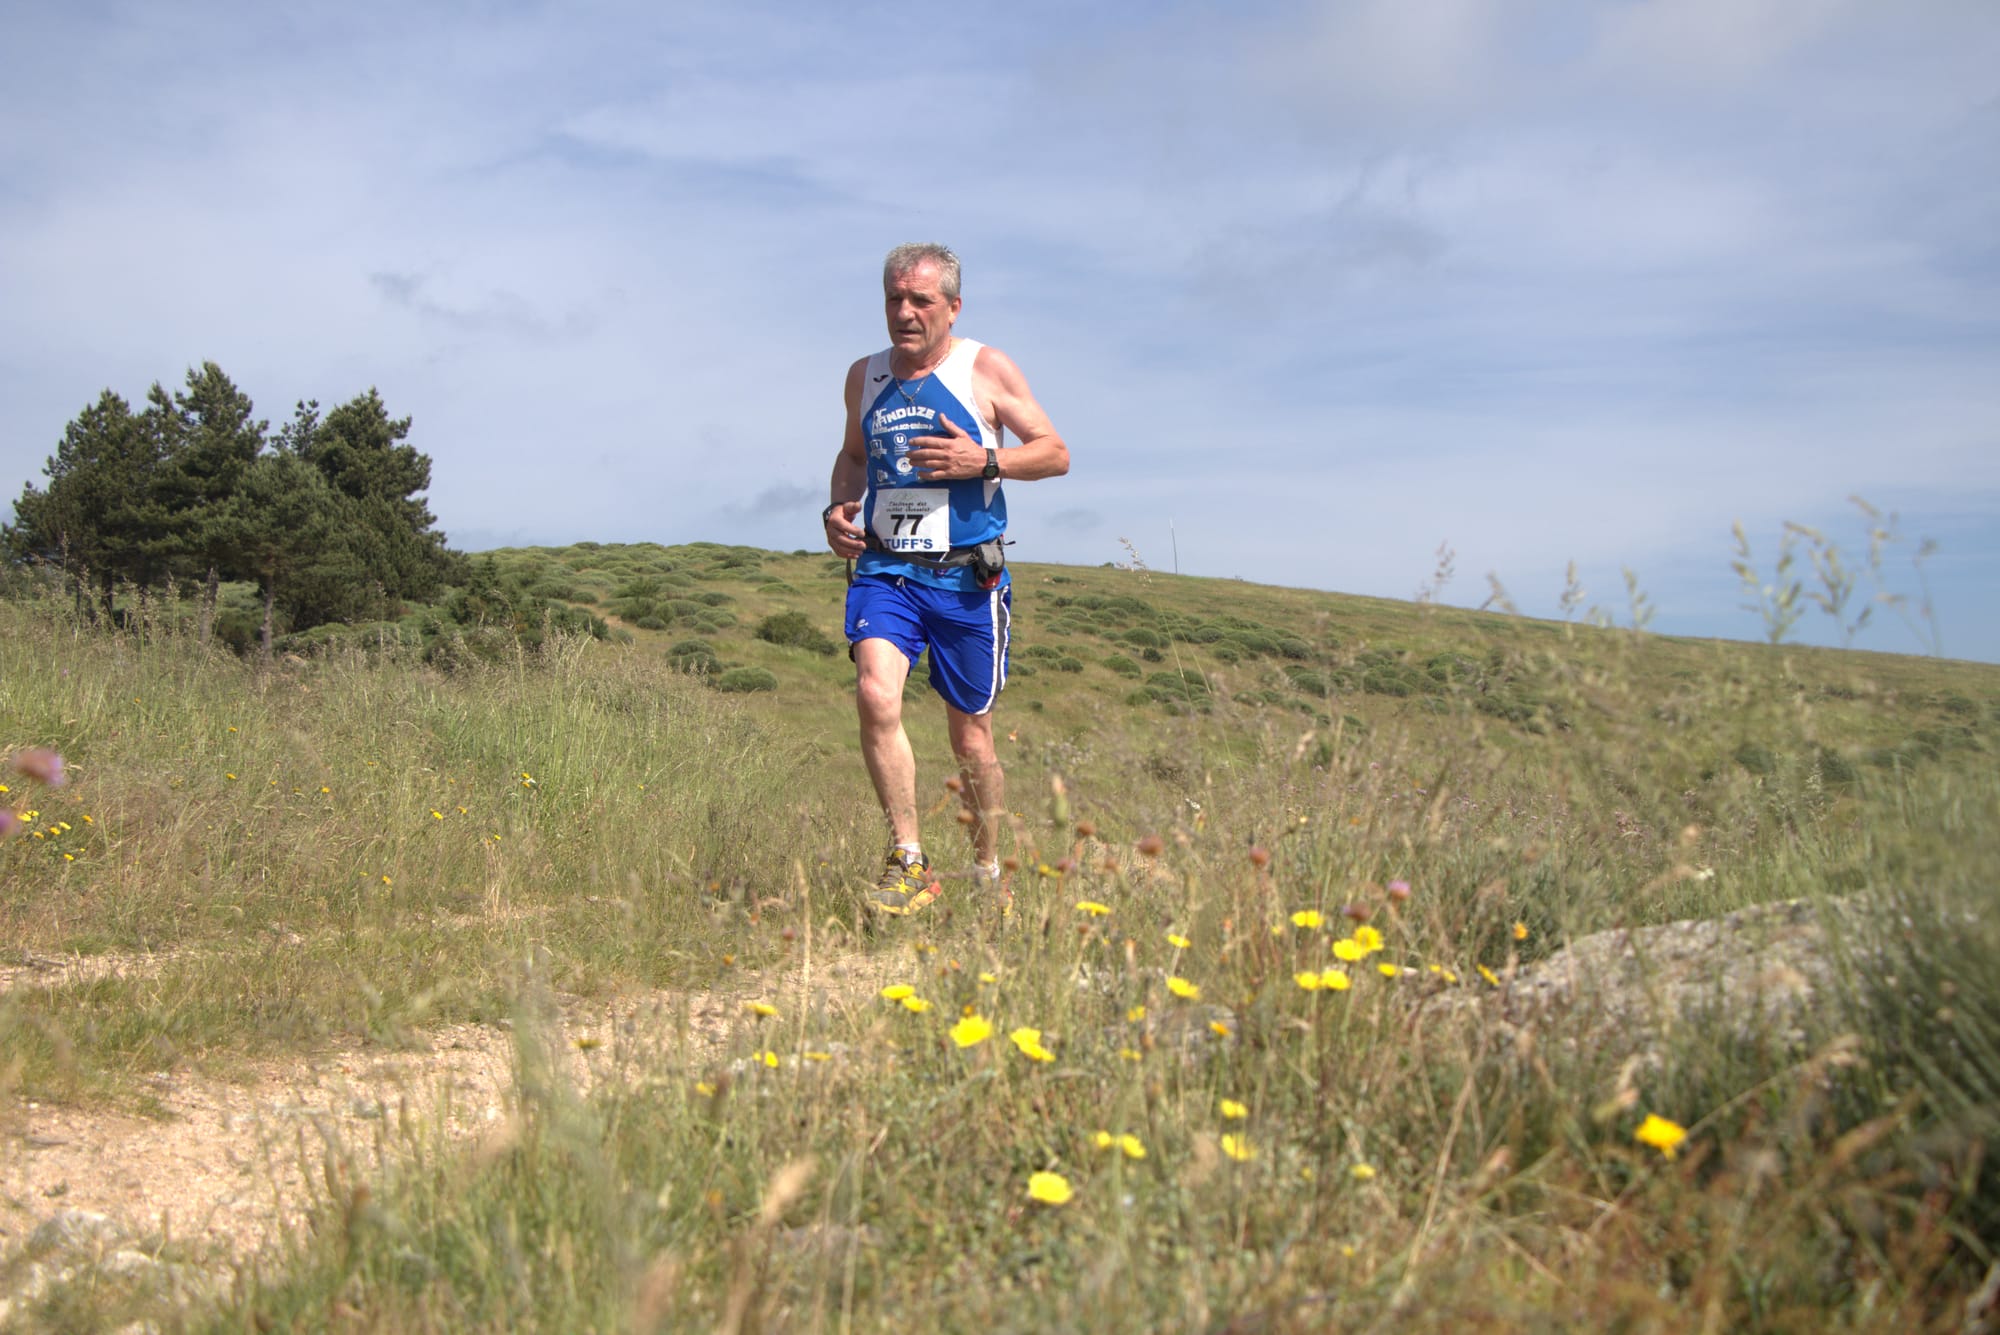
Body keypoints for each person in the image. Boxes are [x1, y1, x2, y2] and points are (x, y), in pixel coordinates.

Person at [822, 243, 1069, 916]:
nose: (904, 313)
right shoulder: (863, 377)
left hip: (966, 579)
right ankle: (907, 858)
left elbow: (1055, 452)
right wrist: (839, 507)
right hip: (886, 567)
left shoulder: (984, 368)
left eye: (920, 301)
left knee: (971, 738)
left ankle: (988, 870)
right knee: (875, 694)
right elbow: (852, 456)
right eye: (894, 300)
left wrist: (981, 457)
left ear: (952, 307)